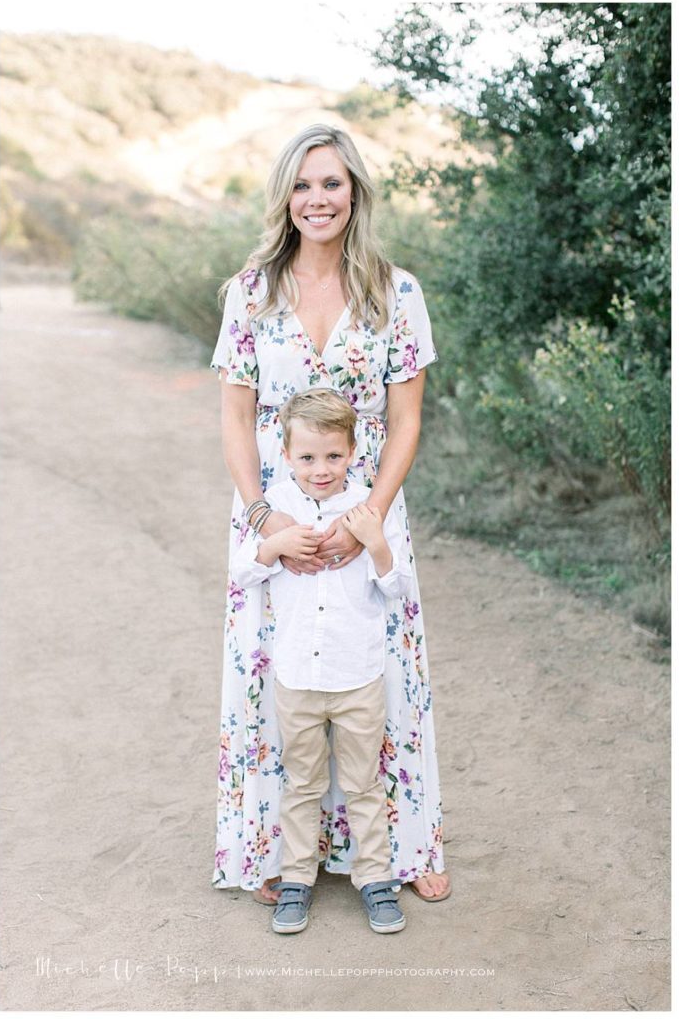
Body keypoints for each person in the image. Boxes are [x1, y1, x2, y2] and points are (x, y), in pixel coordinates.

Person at [211, 122, 451, 905]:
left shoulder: (396, 290)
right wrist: (263, 524)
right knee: (273, 673)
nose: (318, 199)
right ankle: (278, 855)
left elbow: (407, 418)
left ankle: (407, 848)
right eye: (304, 185)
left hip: (369, 505)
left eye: (332, 184)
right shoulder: (251, 291)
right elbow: (236, 416)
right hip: (276, 511)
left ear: (355, 194)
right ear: (285, 197)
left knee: (382, 672)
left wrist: (368, 517)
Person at [230, 389, 411, 934]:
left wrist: (374, 541)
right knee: (302, 783)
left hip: (357, 675)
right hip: (298, 678)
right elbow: (243, 575)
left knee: (363, 783)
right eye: (307, 457)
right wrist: (275, 543)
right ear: (286, 455)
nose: (321, 469)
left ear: (354, 450)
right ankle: (296, 881)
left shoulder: (368, 508)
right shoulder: (274, 507)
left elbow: (395, 588)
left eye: (333, 456)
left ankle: (375, 879)